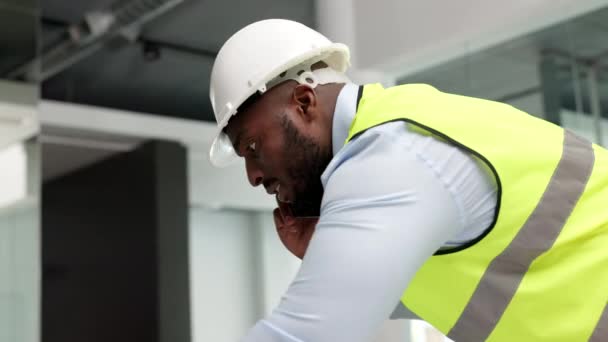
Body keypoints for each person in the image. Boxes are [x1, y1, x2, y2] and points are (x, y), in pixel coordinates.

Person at [208, 19, 608, 341]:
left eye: (253, 147)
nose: (253, 175)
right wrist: (329, 253)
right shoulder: (400, 130)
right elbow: (473, 290)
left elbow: (302, 335)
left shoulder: (391, 156)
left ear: (304, 103)